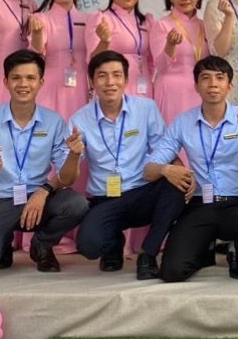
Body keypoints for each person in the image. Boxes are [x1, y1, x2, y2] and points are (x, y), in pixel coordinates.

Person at [0, 50, 88, 280]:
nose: (23, 84)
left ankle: (41, 245)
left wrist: (72, 156)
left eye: (30, 78)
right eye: (16, 78)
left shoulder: (53, 122)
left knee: (76, 204)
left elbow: (68, 178)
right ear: (5, 82)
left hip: (39, 199)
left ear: (41, 82)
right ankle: (3, 242)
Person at [143, 56, 238, 282]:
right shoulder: (183, 122)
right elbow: (149, 170)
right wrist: (165, 170)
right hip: (200, 204)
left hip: (237, 202)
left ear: (229, 86)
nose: (213, 84)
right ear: (196, 86)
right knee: (172, 272)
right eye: (205, 78)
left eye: (220, 78)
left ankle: (237, 257)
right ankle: (203, 250)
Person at [73, 51, 187, 279]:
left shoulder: (146, 108)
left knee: (175, 186)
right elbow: (70, 171)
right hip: (105, 198)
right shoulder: (79, 119)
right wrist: (72, 155)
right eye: (102, 76)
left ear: (126, 80)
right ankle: (113, 242)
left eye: (117, 75)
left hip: (142, 192)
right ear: (92, 82)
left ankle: (148, 253)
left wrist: (180, 171)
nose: (110, 82)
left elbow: (164, 148)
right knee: (88, 245)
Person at [31, 0, 90, 120]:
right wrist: (36, 34)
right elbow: (36, 53)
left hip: (79, 90)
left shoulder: (89, 20)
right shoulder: (40, 19)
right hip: (49, 90)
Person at [88, 0, 154, 98]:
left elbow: (152, 62)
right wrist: (104, 42)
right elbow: (93, 61)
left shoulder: (147, 21)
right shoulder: (101, 19)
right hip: (113, 89)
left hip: (143, 87)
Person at [151, 0, 207, 124]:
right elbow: (160, 67)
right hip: (171, 93)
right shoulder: (162, 25)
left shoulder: (204, 25)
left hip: (201, 91)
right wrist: (170, 45)